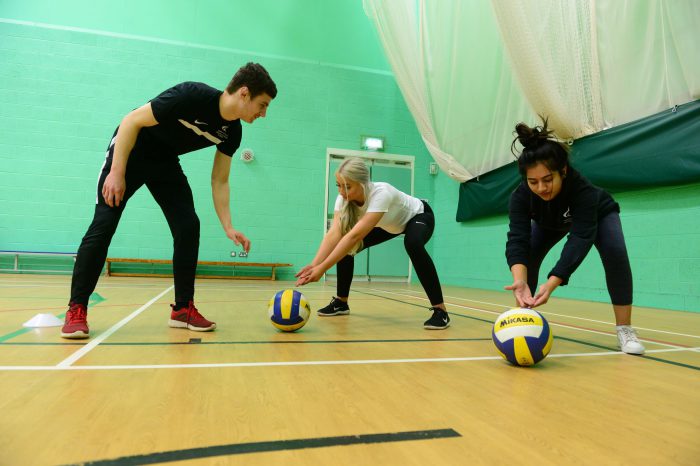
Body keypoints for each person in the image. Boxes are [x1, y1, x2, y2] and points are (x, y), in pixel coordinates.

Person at [61, 62, 277, 339]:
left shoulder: (232, 132)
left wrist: (228, 226)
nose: (263, 113)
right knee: (104, 223)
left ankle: (183, 309)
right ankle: (77, 308)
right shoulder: (191, 95)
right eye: (263, 104)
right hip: (132, 149)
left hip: (164, 160)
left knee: (188, 225)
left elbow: (219, 180)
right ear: (244, 93)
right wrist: (117, 171)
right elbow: (131, 121)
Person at [504, 119, 645, 354]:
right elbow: (517, 238)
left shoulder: (583, 191)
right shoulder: (519, 197)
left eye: (548, 179)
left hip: (598, 215)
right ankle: (523, 319)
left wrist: (552, 282)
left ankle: (625, 329)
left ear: (563, 171)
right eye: (533, 182)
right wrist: (519, 279)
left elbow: (581, 237)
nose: (541, 188)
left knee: (615, 253)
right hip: (549, 222)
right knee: (526, 258)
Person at [295, 157, 450, 329]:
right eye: (338, 185)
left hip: (418, 216)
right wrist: (314, 265)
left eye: (347, 186)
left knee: (412, 243)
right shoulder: (343, 199)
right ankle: (341, 302)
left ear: (363, 184)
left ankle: (440, 311)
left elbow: (354, 236)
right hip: (389, 224)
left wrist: (322, 269)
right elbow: (334, 234)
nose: (341, 191)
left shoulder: (381, 193)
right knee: (346, 247)